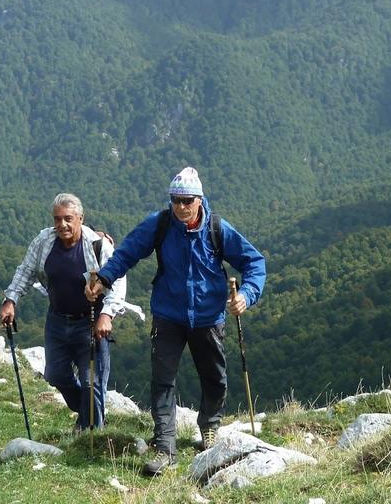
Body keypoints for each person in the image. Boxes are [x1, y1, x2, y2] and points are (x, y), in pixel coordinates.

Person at [85, 167, 266, 475]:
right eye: (176, 200)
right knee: (163, 381)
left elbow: (254, 262)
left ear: (200, 200)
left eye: (188, 200)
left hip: (208, 317)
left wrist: (246, 296)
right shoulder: (160, 224)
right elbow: (127, 252)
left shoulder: (217, 228)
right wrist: (104, 277)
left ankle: (208, 427)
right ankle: (165, 446)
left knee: (215, 377)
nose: (181, 207)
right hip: (168, 315)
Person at [0, 193, 126, 430]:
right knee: (56, 375)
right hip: (57, 320)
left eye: (68, 218)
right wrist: (10, 300)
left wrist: (106, 314)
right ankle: (90, 413)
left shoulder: (97, 246)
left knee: (92, 382)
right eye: (57, 219)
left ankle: (91, 435)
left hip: (90, 322)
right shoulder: (44, 241)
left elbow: (118, 280)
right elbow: (26, 270)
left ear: (81, 218)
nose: (62, 225)